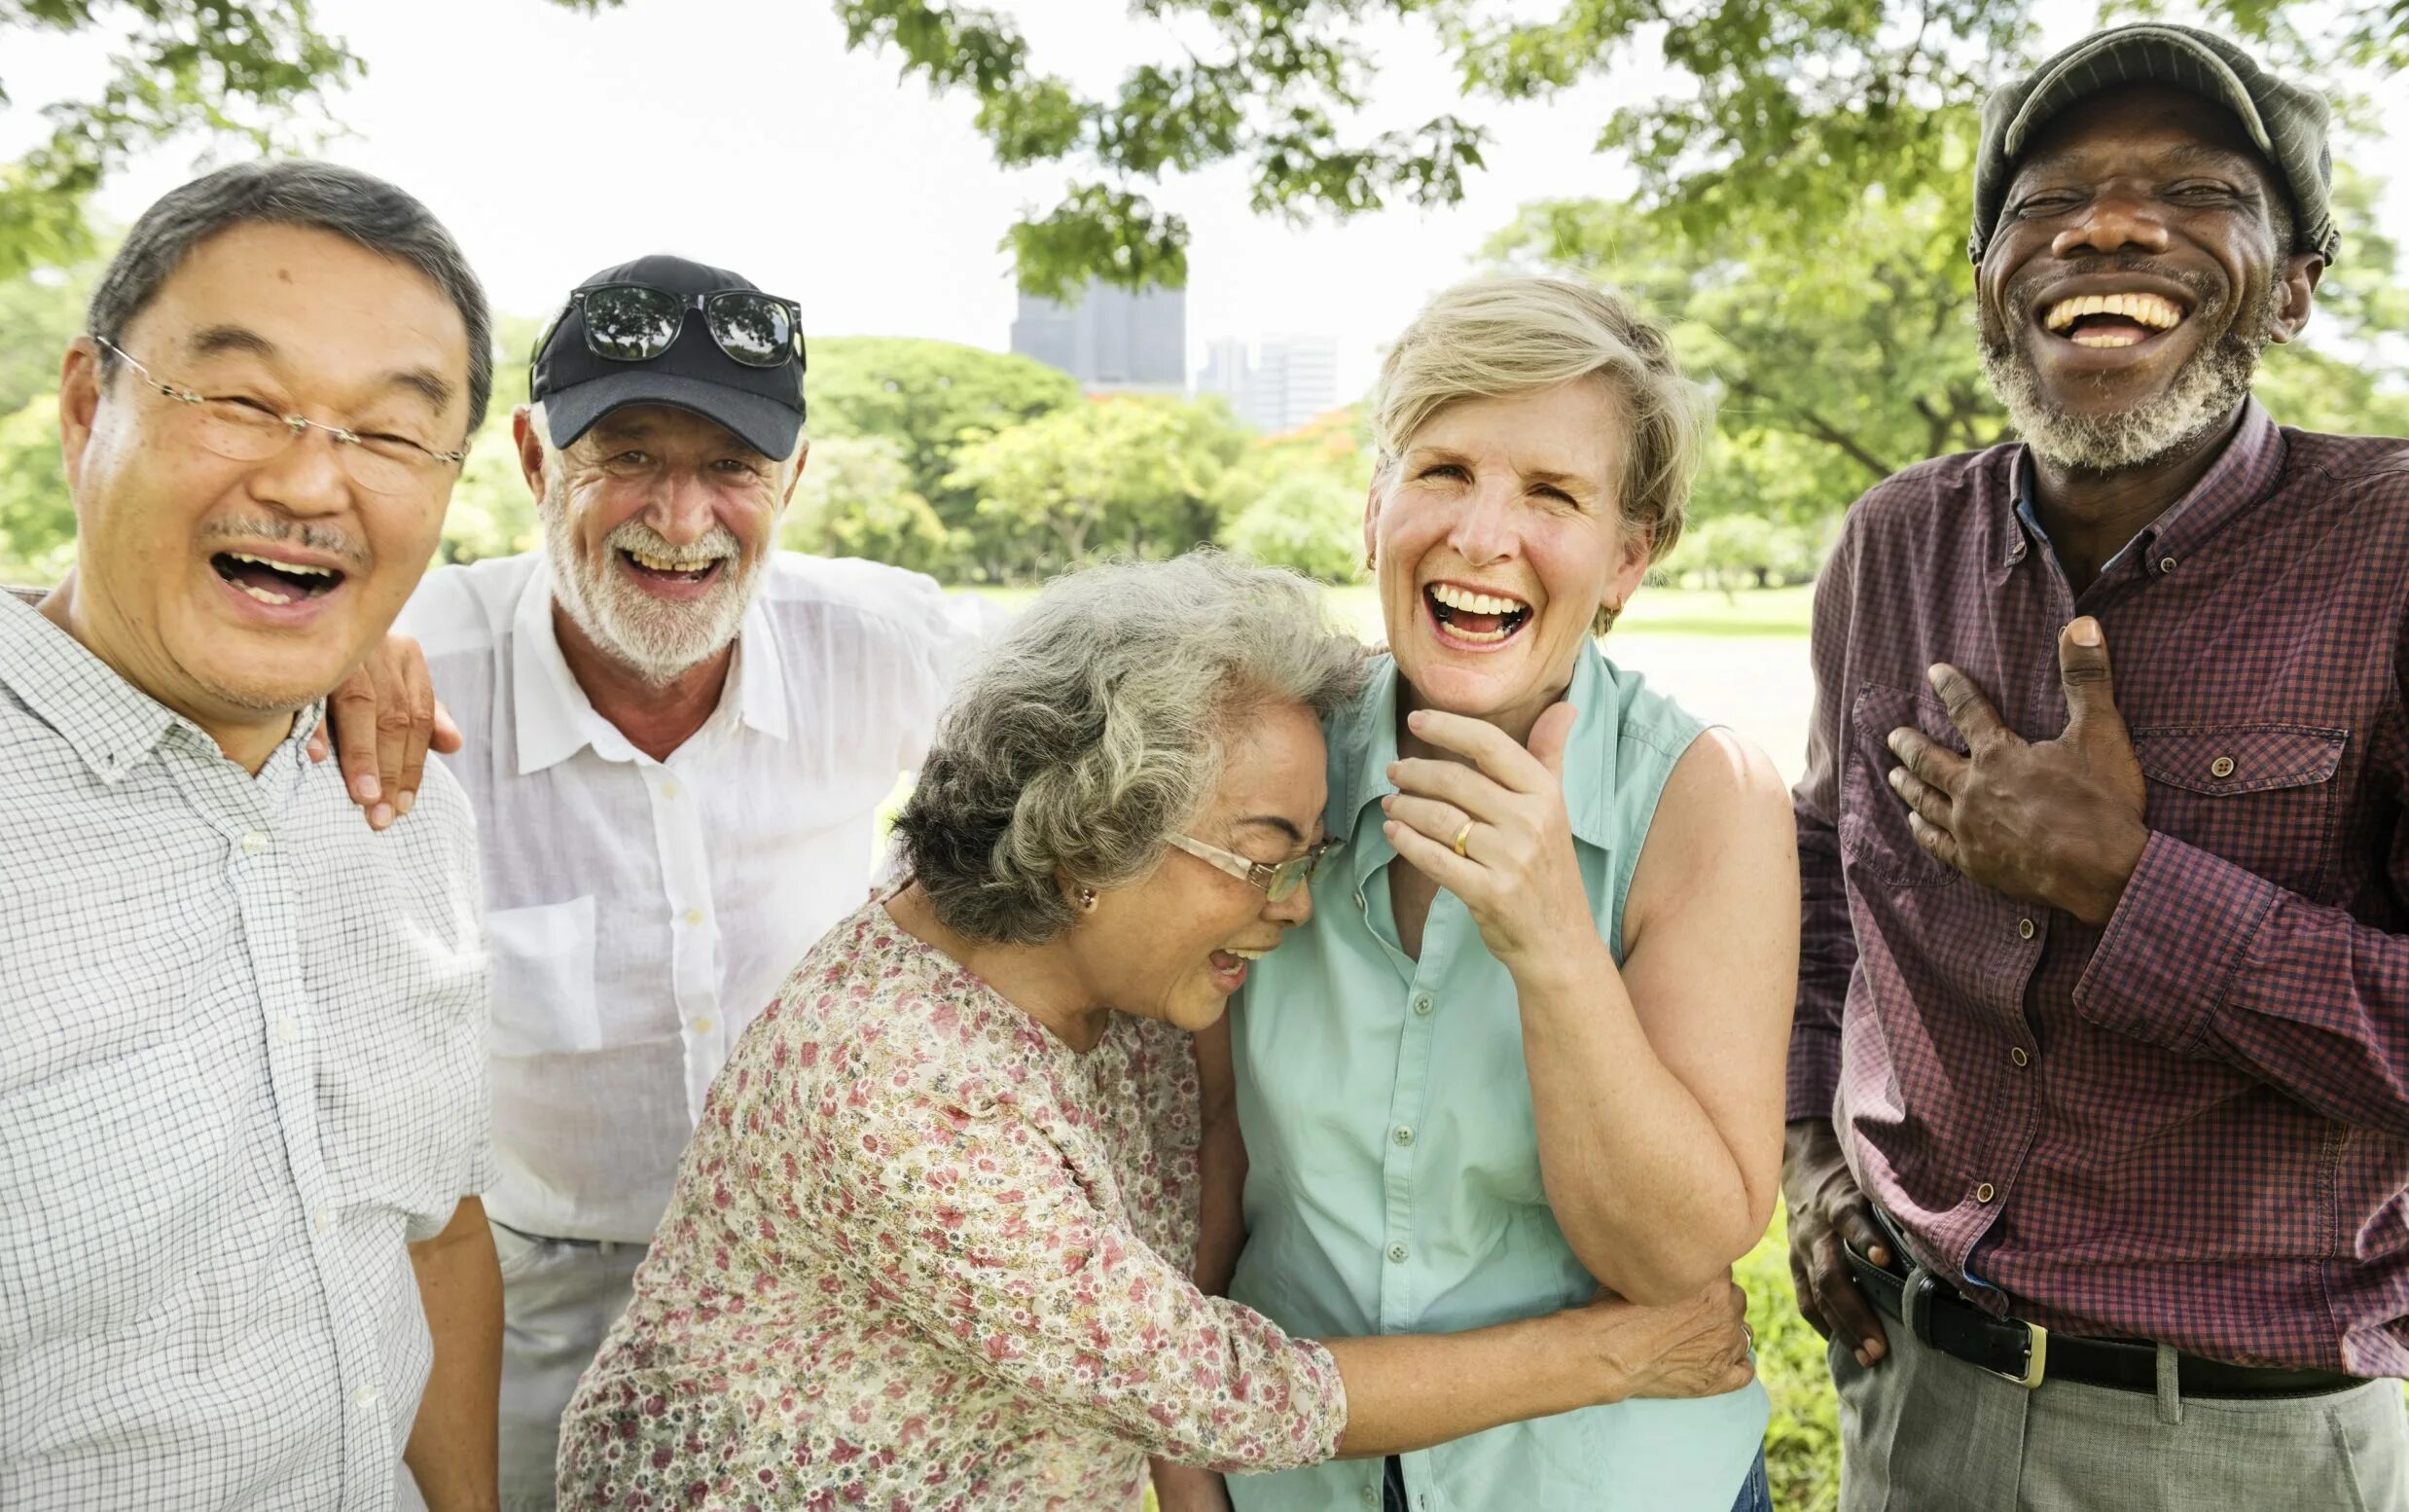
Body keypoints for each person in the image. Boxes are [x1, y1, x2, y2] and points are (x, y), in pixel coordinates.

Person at [556, 552, 1758, 1511]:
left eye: (1310, 857)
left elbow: (1184, 1230)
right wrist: (1620, 1354)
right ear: (1090, 840)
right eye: (1261, 858)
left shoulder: (1107, 991)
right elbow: (1221, 1387)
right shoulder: (898, 1085)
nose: (1292, 907)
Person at [1780, 22, 2409, 1510]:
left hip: (2251, 1440)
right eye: (2048, 199)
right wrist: (1807, 1150)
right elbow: (1819, 879)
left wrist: (2126, 886)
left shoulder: (2391, 552)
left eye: (2196, 193)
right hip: (1911, 1390)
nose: (2109, 225)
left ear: (2299, 289)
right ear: (1992, 287)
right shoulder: (1893, 544)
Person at [327, 254, 989, 1511]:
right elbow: (130, 651)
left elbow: (1122, 701)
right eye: (627, 455)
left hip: (822, 1285)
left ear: (791, 478)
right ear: (532, 460)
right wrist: (323, 655)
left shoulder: (880, 643)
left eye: (731, 467)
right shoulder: (414, 672)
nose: (680, 517)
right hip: (529, 1300)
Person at [1205, 276, 1797, 1512]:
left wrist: (1550, 940)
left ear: (1630, 557)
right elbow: (1198, 1164)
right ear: (1373, 515)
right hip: (1295, 1481)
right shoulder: (1263, 759)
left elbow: (1672, 1254)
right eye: (1442, 472)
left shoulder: (1705, 797)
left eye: (1551, 494)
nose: (1481, 536)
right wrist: (1193, 1475)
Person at [0, 161, 499, 1508]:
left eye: (389, 434)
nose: (313, 479)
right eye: (246, 401)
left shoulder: (405, 798)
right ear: (89, 406)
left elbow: (435, 1232)